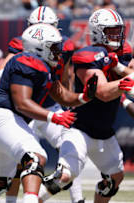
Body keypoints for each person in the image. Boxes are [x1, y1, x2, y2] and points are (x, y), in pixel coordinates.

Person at [0, 23, 98, 203]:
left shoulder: (45, 67)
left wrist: (85, 96)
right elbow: (22, 103)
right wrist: (53, 116)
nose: (58, 52)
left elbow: (62, 96)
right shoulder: (27, 61)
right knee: (35, 157)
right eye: (54, 47)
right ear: (39, 47)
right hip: (0, 116)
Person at [38, 9, 134, 203]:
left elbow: (130, 70)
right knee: (64, 177)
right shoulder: (87, 55)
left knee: (114, 179)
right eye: (112, 31)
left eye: (119, 30)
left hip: (105, 131)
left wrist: (120, 69)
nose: (117, 35)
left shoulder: (124, 52)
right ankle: (32, 199)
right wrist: (127, 80)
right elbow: (103, 93)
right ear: (98, 32)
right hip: (79, 129)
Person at [0, 6, 83, 203]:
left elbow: (66, 75)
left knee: (71, 146)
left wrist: (67, 103)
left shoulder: (65, 46)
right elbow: (2, 71)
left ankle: (76, 199)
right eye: (37, 27)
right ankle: (12, 200)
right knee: (22, 158)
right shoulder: (21, 44)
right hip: (28, 108)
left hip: (52, 104)